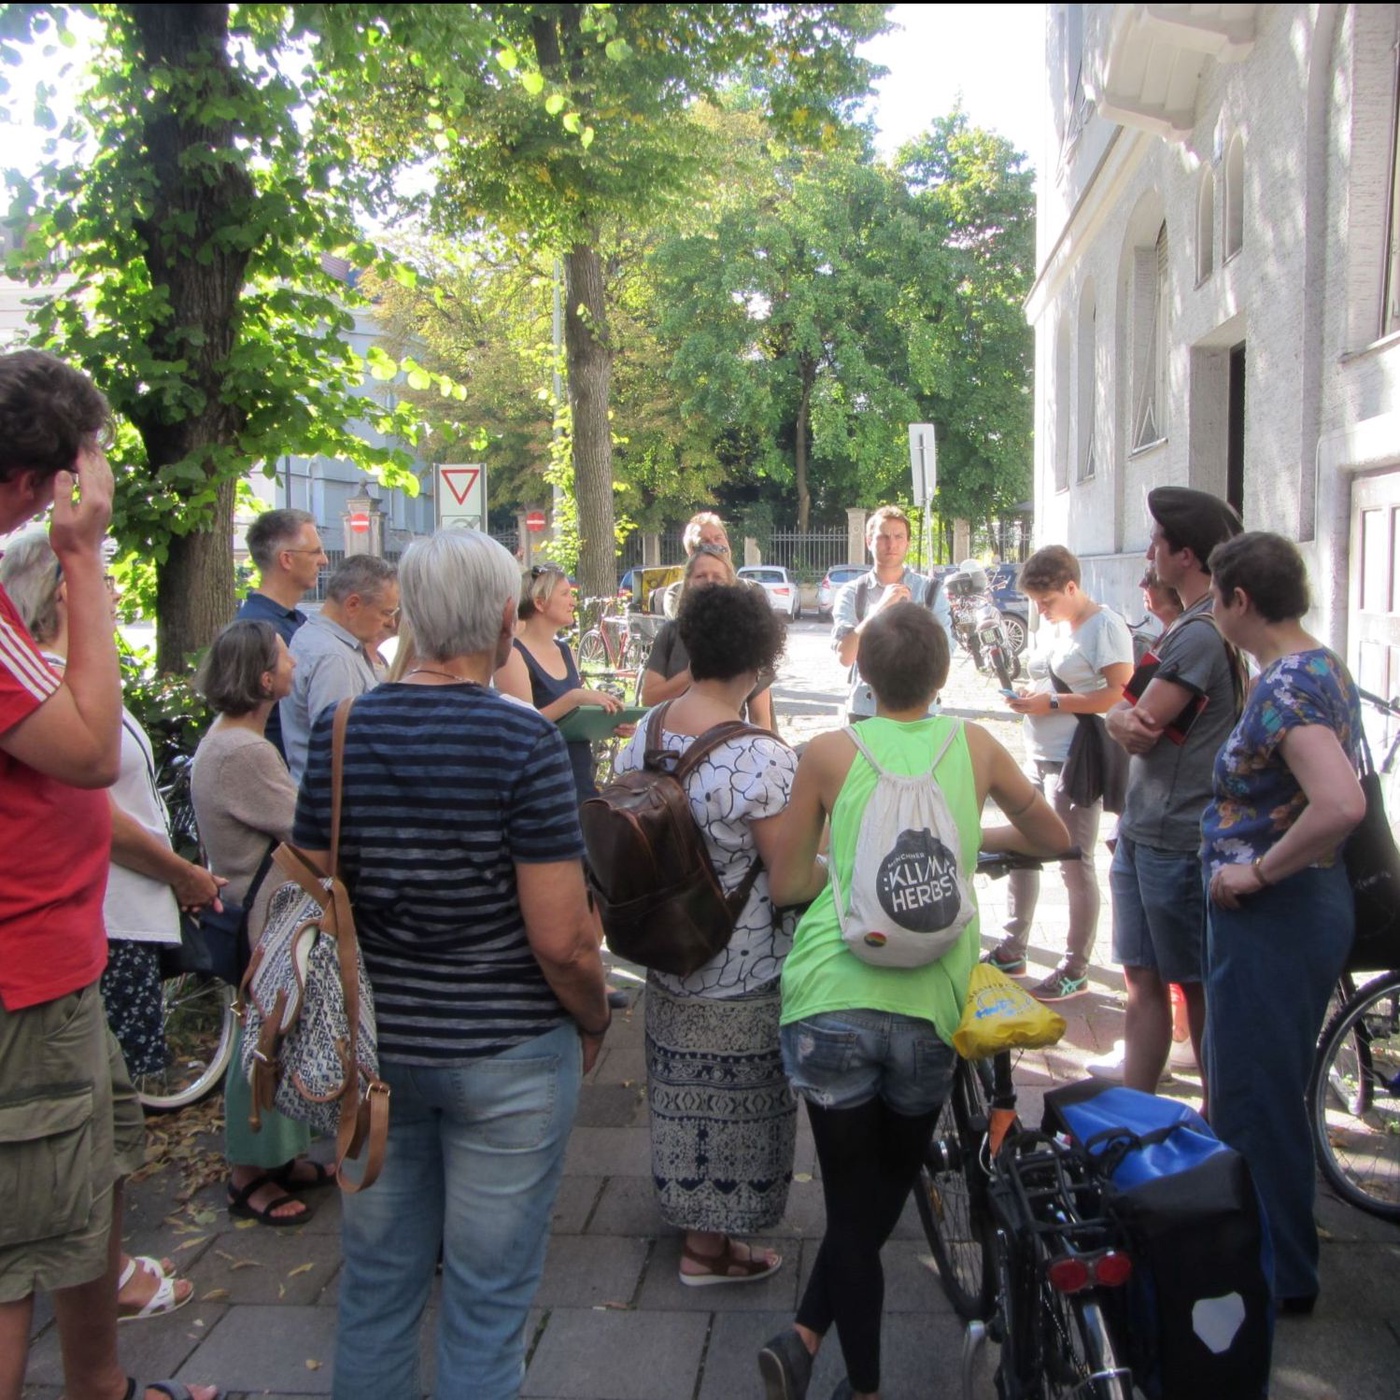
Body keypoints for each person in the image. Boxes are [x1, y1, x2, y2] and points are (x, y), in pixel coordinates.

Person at [293, 530, 609, 1400]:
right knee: (485, 1300)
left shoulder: (342, 730)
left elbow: (308, 890)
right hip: (507, 1056)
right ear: (505, 619)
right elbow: (562, 938)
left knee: (379, 1287)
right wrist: (593, 1014)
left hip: (376, 1049)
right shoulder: (521, 745)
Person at [759, 601, 1068, 1400]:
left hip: (831, 999)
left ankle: (845, 1374)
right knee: (875, 1202)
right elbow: (1055, 838)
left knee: (850, 1210)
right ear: (941, 674)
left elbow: (790, 884)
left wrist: (852, 866)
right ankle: (807, 1345)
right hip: (931, 1005)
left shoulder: (826, 753)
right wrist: (973, 841)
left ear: (861, 672)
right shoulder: (975, 745)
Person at [0, 349, 216, 1400]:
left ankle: (106, 1384)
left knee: (76, 1210)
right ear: (44, 483)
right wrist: (81, 557)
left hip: (54, 964)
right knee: (12, 1264)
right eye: (84, 472)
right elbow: (88, 752)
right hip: (21, 980)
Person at [614, 584, 798, 1286]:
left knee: (682, 1097)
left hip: (666, 954)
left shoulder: (651, 727)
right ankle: (708, 1250)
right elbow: (786, 880)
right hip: (738, 967)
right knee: (740, 1108)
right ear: (760, 659)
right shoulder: (763, 758)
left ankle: (695, 1228)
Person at [1201, 533, 1365, 1314]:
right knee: (1261, 1090)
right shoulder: (1317, 663)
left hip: (1277, 913)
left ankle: (1273, 1280)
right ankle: (1266, 1264)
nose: (1209, 606)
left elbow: (1341, 803)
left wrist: (1257, 871)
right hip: (1295, 910)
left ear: (1241, 602)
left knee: (1258, 1100)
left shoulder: (1288, 687)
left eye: (1215, 594)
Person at [1105, 486, 1244, 1100]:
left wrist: (1125, 719)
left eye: (1159, 540)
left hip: (1176, 839)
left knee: (1193, 986)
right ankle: (1136, 1118)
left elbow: (1139, 729)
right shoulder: (1180, 629)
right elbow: (1123, 713)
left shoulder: (1199, 635)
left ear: (1185, 555)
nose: (1150, 550)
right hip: (1144, 831)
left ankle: (1220, 1134)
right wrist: (1123, 718)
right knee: (1143, 978)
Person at [191, 620, 329, 1227]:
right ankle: (248, 1174)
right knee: (266, 1039)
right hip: (262, 920)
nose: (295, 668)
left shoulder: (232, 740)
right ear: (264, 678)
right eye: (284, 660)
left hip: (263, 913)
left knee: (279, 1032)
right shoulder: (244, 751)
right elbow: (305, 824)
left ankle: (282, 1156)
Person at [988, 545, 1133, 1000]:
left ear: (1072, 586)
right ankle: (1014, 946)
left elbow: (1117, 694)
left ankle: (1076, 964)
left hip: (1077, 758)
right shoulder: (1055, 625)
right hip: (1038, 751)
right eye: (1034, 601)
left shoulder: (1104, 626)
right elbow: (1052, 679)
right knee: (1022, 849)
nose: (1039, 609)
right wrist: (1029, 694)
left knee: (1073, 859)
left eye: (1047, 600)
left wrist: (1049, 702)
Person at [495, 564, 621, 802]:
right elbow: (522, 726)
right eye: (565, 594)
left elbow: (572, 720)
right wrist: (575, 697)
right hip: (540, 786)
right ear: (539, 603)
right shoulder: (514, 655)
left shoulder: (566, 651)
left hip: (578, 777)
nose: (573, 602)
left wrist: (609, 722)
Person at [281, 553, 398, 783]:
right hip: (336, 805)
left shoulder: (320, 637)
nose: (391, 623)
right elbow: (339, 747)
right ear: (353, 604)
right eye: (386, 613)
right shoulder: (333, 657)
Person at [831, 505, 953, 722]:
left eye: (899, 536)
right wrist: (880, 609)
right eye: (883, 537)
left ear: (908, 542)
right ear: (869, 541)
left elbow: (943, 656)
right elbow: (846, 656)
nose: (891, 544)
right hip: (867, 709)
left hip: (921, 711)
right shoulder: (852, 592)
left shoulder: (931, 592)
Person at [640, 544, 776, 728]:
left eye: (717, 577)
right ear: (688, 582)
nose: (709, 582)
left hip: (727, 739)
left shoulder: (748, 635)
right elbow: (649, 700)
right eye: (701, 576)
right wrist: (694, 672)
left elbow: (761, 718)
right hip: (672, 736)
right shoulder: (671, 633)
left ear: (730, 583)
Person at [237, 508, 326, 761]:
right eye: (315, 551)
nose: (324, 560)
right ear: (286, 559)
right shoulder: (255, 630)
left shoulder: (294, 620)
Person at [660, 511, 733, 617]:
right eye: (705, 541)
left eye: (718, 538)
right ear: (691, 552)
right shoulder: (676, 594)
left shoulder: (751, 589)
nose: (714, 545)